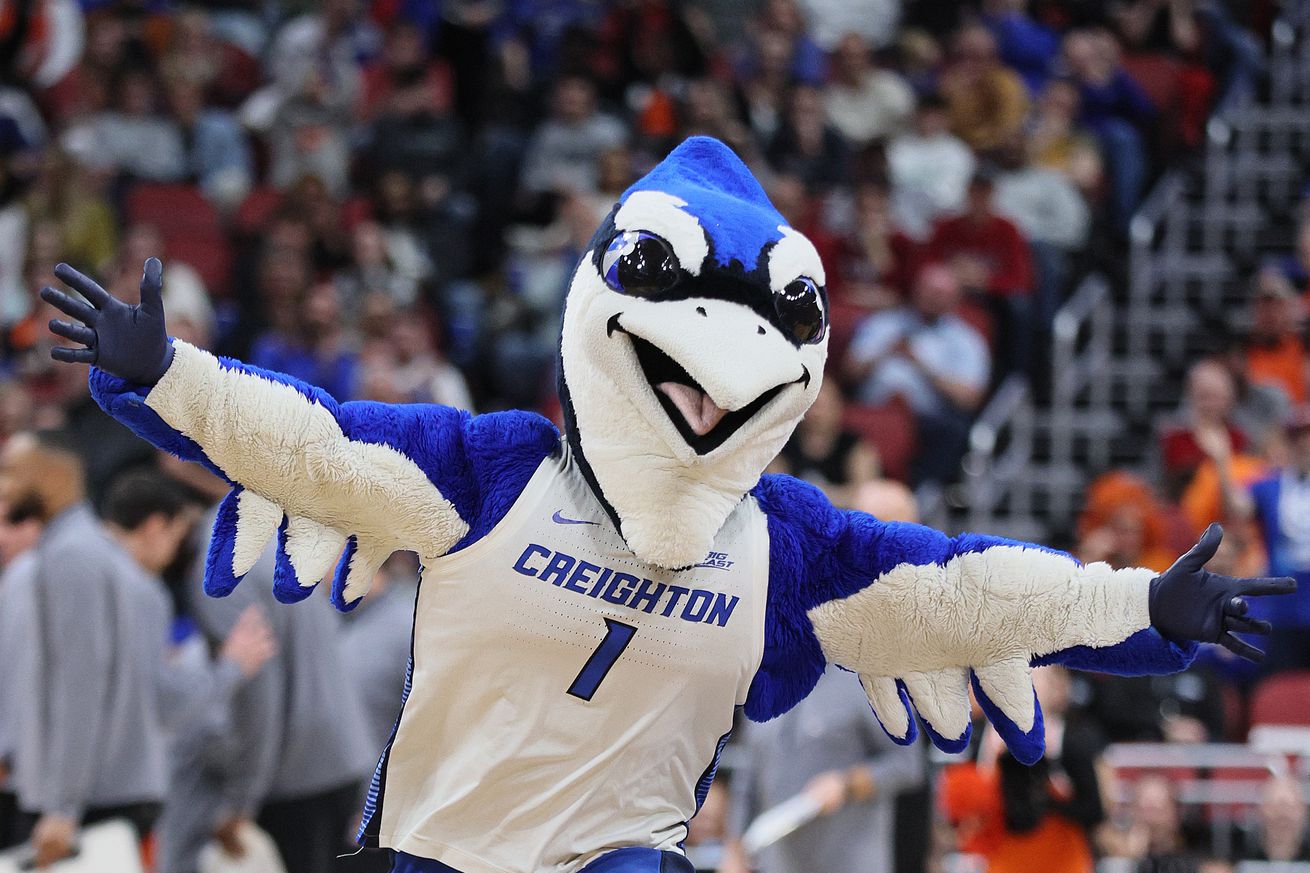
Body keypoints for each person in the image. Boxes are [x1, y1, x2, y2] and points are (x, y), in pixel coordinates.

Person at [40, 138, 1292, 873]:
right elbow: (313, 447)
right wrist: (171, 377)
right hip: (432, 852)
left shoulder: (785, 549)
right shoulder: (494, 470)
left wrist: (1138, 604)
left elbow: (959, 591)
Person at [0, 432, 177, 866]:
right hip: (103, 790)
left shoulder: (72, 556)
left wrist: (62, 807)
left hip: (89, 802)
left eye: (12, 471)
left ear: (53, 477)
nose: (3, 484)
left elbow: (80, 687)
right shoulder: (81, 547)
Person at [721, 665, 925, 873]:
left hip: (849, 859)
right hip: (778, 862)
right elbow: (746, 782)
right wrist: (733, 851)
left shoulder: (871, 680)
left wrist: (847, 784)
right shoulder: (762, 684)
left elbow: (907, 764)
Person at [844, 262, 990, 484]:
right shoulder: (884, 323)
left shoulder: (965, 340)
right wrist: (885, 352)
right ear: (915, 291)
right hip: (873, 410)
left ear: (955, 298)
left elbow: (969, 398)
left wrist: (922, 367)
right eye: (929, 291)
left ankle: (918, 496)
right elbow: (849, 371)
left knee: (953, 432)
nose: (934, 298)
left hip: (926, 418)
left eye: (941, 294)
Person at [1243, 408, 1310, 672]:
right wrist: (1221, 459)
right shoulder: (1271, 486)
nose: (1305, 445)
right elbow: (1237, 507)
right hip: (1286, 609)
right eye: (1299, 438)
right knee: (1284, 686)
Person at [769, 379, 879, 507]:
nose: (817, 414)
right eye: (812, 406)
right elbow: (776, 491)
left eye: (823, 406)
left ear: (838, 407)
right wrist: (837, 494)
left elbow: (867, 494)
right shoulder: (780, 444)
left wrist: (811, 494)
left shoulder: (857, 447)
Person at [886, 93, 976, 239]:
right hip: (903, 226)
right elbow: (895, 187)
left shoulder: (959, 152)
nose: (929, 120)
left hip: (946, 226)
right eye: (925, 114)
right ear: (915, 116)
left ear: (946, 119)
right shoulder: (897, 148)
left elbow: (955, 194)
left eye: (935, 115)